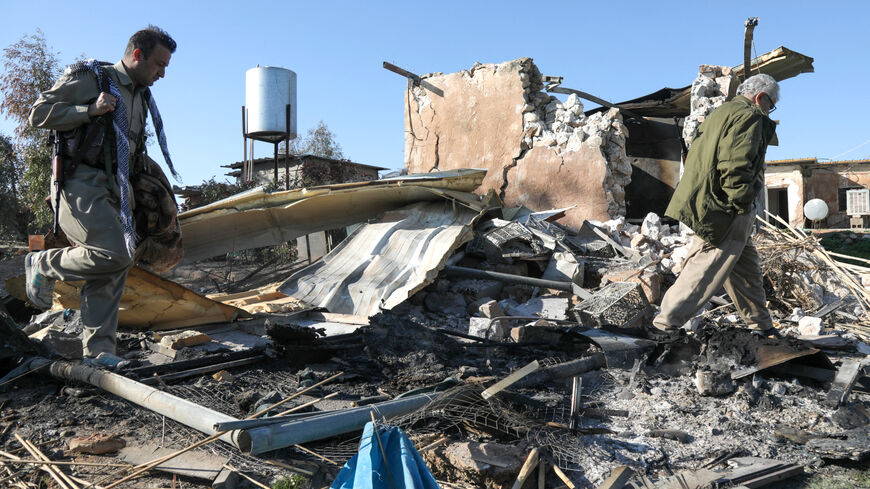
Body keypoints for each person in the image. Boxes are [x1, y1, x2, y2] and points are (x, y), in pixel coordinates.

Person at [25, 26, 178, 368]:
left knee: (110, 270)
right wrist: (87, 110)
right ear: (137, 55)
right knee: (115, 253)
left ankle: (99, 353)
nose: (162, 73)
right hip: (79, 183)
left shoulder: (141, 96)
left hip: (118, 190)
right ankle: (43, 263)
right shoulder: (93, 78)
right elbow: (38, 113)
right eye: (159, 64)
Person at [651, 73, 780, 337]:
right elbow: (734, 166)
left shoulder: (721, 114)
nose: (770, 111)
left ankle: (762, 326)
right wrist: (741, 203)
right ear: (760, 97)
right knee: (705, 268)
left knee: (745, 271)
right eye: (771, 105)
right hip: (725, 207)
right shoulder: (749, 116)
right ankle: (664, 326)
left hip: (713, 201)